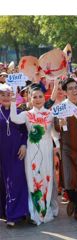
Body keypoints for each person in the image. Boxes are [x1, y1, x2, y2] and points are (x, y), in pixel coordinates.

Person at [10, 84, 58, 225]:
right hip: (31, 150)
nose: (38, 99)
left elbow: (55, 133)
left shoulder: (50, 114)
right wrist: (13, 101)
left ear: (45, 98)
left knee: (47, 179)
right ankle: (35, 212)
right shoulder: (26, 114)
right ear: (30, 99)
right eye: (34, 97)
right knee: (33, 180)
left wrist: (58, 146)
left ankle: (45, 211)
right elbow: (14, 118)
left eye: (40, 96)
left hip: (47, 149)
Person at [54, 78, 77, 223]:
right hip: (67, 147)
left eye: (76, 87)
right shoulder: (60, 107)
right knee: (68, 177)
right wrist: (60, 123)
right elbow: (56, 128)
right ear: (64, 92)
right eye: (70, 88)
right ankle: (73, 200)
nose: (74, 90)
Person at [0, 83, 28, 227]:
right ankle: (6, 212)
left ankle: (15, 214)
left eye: (8, 94)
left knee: (16, 181)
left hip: (17, 152)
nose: (5, 97)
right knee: (5, 183)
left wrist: (24, 145)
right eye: (2, 94)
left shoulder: (18, 111)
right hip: (3, 153)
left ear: (13, 96)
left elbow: (25, 131)